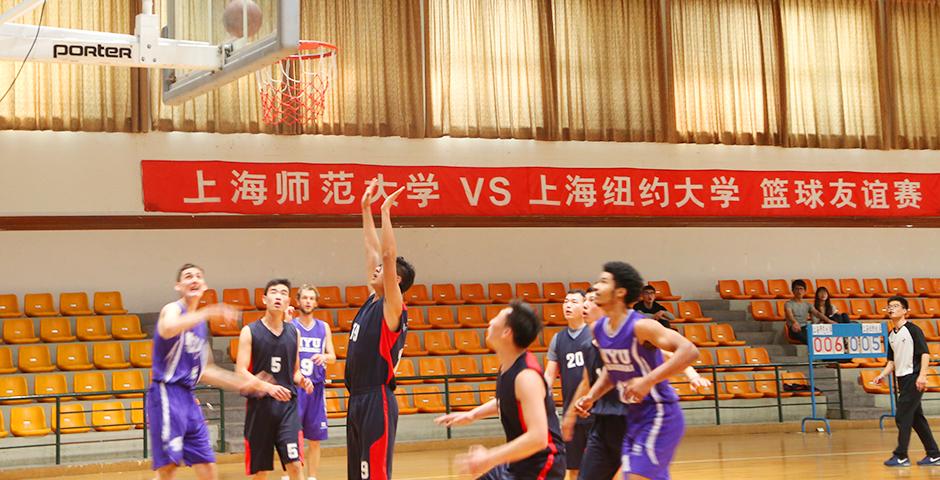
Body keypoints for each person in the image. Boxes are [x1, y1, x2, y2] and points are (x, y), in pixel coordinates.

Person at [149, 263, 285, 480]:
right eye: (187, 276)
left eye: (198, 276)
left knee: (207, 465)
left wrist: (246, 384)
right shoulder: (173, 309)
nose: (193, 279)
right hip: (166, 394)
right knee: (168, 468)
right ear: (178, 285)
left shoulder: (200, 326)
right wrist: (208, 312)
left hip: (187, 397)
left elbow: (207, 371)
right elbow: (167, 328)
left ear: (204, 286)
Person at [574, 261, 699, 480]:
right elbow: (612, 371)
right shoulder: (602, 329)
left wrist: (647, 380)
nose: (595, 287)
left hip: (660, 413)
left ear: (620, 292)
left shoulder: (640, 326)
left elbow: (689, 351)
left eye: (603, 282)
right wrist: (591, 397)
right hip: (635, 417)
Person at [435, 301, 566, 479]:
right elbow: (508, 401)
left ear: (507, 332)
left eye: (497, 317)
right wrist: (472, 415)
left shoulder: (526, 377)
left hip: (542, 465)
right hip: (519, 461)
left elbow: (538, 438)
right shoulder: (509, 364)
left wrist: (489, 457)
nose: (490, 321)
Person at [345, 179, 413, 480]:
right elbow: (372, 248)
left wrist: (385, 211)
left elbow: (386, 256)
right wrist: (365, 208)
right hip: (356, 398)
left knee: (375, 475)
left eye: (384, 273)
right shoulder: (372, 300)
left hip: (377, 399)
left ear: (395, 281)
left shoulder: (392, 307)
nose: (375, 270)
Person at [236, 278, 314, 480]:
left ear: (288, 301)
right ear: (264, 299)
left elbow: (294, 371)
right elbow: (241, 371)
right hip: (259, 409)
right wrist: (268, 388)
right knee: (261, 472)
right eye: (273, 292)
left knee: (295, 465)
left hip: (287, 409)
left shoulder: (294, 332)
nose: (278, 296)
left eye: (282, 293)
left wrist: (302, 379)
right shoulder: (249, 331)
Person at [873, 296, 940, 467]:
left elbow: (925, 354)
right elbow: (892, 361)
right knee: (917, 418)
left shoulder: (913, 330)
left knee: (902, 416)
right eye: (889, 306)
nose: (891, 309)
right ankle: (934, 454)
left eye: (895, 306)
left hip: (914, 377)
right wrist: (881, 375)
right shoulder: (891, 335)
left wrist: (923, 375)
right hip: (902, 380)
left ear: (905, 311)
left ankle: (901, 455)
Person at [290, 285, 337, 480]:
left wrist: (324, 356)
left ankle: (312, 476)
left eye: (311, 298)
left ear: (316, 303)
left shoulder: (323, 327)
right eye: (305, 298)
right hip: (297, 387)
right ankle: (292, 474)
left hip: (317, 388)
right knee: (293, 435)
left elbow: (333, 356)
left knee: (315, 438)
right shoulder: (291, 326)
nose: (308, 301)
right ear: (298, 301)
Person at [543, 290, 591, 479]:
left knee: (604, 466)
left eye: (573, 301)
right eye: (565, 301)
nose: (568, 305)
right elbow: (548, 376)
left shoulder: (594, 333)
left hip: (596, 411)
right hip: (571, 412)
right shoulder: (558, 339)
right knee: (573, 467)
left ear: (584, 306)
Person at [784, 279, 834, 344]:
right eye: (796, 289)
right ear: (793, 291)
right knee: (807, 338)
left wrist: (829, 321)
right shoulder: (788, 304)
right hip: (794, 328)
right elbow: (789, 315)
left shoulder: (807, 304)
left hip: (805, 328)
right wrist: (795, 322)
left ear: (804, 291)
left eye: (801, 289)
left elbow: (817, 313)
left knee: (819, 334)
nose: (799, 291)